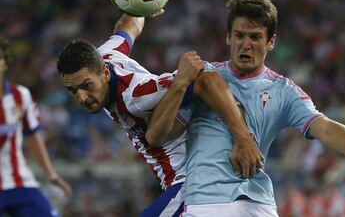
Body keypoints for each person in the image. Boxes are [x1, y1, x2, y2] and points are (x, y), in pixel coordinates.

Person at [147, 0, 345, 216]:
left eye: (256, 37)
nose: (246, 44)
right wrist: (180, 84)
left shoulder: (284, 91)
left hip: (258, 203)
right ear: (228, 37)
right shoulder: (201, 76)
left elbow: (325, 128)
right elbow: (158, 136)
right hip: (207, 203)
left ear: (271, 42)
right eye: (239, 35)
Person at [56, 14, 262, 216]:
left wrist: (243, 138)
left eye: (86, 86)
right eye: (73, 90)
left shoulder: (135, 94)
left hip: (190, 181)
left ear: (105, 74)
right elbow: (128, 25)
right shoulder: (105, 55)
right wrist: (141, 2)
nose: (81, 97)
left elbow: (208, 80)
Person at [0, 38, 72, 216]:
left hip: (19, 182)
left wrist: (51, 174)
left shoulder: (20, 96)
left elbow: (32, 136)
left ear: (5, 62)